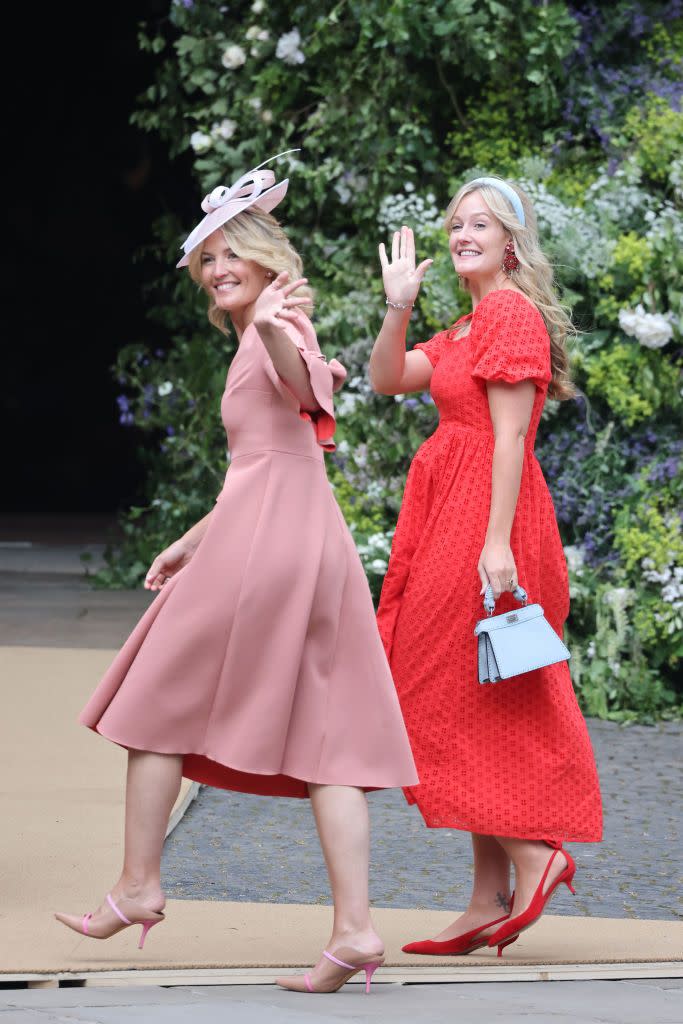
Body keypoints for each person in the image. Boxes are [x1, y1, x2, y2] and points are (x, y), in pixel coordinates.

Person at [55, 155, 418, 994]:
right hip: (300, 537)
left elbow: (300, 393)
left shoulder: (275, 327)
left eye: (231, 255)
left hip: (266, 544)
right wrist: (192, 536)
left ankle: (140, 884)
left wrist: (270, 333)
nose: (217, 270)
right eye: (206, 260)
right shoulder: (271, 327)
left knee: (153, 706)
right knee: (329, 737)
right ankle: (356, 930)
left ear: (267, 260)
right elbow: (274, 459)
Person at [369, 176, 602, 957]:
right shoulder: (467, 325)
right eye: (455, 223)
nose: (462, 233)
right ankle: (483, 895)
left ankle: (535, 857)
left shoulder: (508, 312)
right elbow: (385, 379)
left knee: (433, 690)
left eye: (481, 223)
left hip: (484, 518)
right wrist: (398, 305)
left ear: (511, 243)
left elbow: (509, 439)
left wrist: (495, 543)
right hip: (450, 513)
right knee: (467, 698)